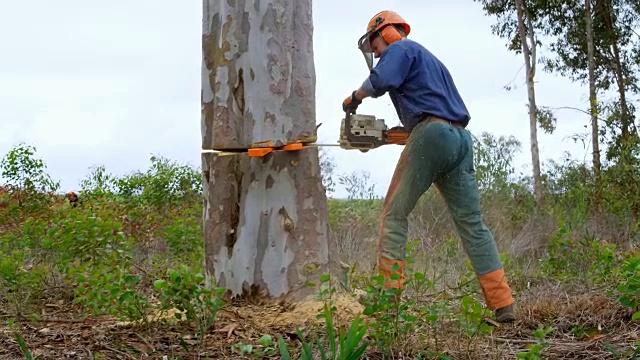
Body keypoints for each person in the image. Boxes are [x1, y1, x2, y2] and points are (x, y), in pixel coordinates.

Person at [342, 10, 516, 323]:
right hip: (460, 140)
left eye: (376, 45)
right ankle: (503, 304)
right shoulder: (430, 61)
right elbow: (431, 114)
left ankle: (387, 299)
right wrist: (384, 136)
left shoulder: (401, 49)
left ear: (390, 32)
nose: (377, 52)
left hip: (433, 135)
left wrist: (355, 98)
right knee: (472, 223)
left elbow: (381, 82)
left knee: (393, 214)